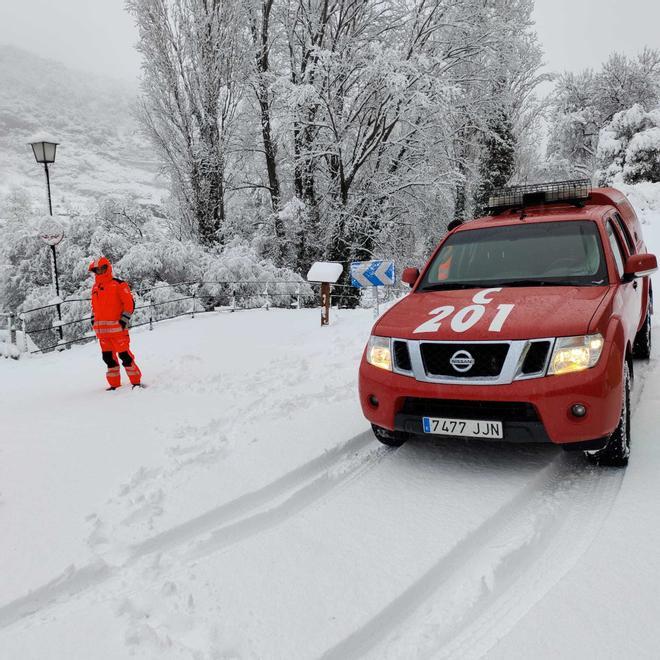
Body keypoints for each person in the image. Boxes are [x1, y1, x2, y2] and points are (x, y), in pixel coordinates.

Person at [89, 257, 142, 390]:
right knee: (108, 359)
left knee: (125, 357)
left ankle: (136, 382)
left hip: (118, 331)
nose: (99, 271)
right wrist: (93, 319)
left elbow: (129, 304)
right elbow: (94, 306)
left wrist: (123, 321)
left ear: (107, 268)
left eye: (102, 268)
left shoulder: (119, 284)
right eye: (97, 270)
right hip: (102, 334)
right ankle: (114, 385)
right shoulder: (95, 287)